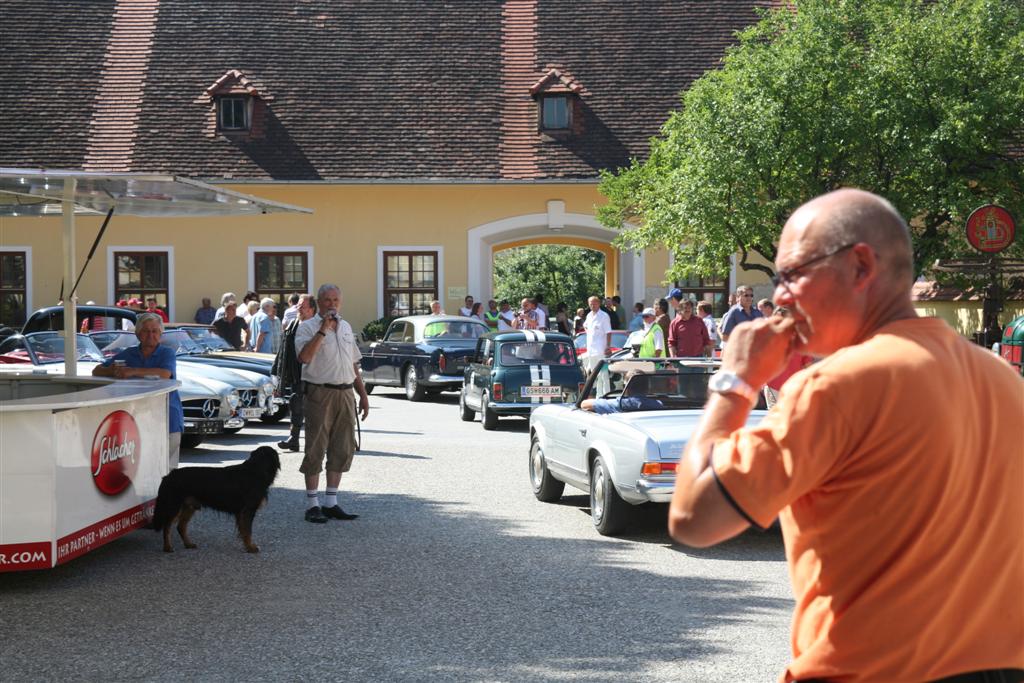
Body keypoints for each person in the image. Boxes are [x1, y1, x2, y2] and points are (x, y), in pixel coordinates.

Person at [667, 189, 1024, 682]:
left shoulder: (836, 384)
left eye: (793, 274)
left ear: (860, 266)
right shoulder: (1002, 379)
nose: (782, 296)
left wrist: (736, 381)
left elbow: (693, 518)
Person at [295, 284, 371, 524]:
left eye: (335, 299)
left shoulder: (346, 326)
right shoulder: (307, 327)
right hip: (320, 393)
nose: (332, 304)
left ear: (341, 301)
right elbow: (304, 358)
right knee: (316, 447)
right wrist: (322, 331)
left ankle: (331, 502)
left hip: (345, 393)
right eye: (327, 300)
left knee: (343, 447)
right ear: (318, 302)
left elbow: (353, 364)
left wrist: (363, 395)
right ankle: (312, 504)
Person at [92, 312, 184, 469]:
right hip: (138, 420)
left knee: (168, 470)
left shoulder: (166, 353)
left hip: (167, 418)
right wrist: (111, 371)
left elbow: (165, 374)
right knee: (144, 468)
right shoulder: (128, 354)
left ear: (161, 334)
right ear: (137, 334)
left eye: (155, 331)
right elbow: (96, 371)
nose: (151, 335)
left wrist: (132, 371)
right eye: (146, 331)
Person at [273, 293, 315, 451]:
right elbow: (284, 349)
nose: (299, 309)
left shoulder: (317, 325)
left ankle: (320, 440)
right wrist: (278, 371)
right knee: (295, 404)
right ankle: (294, 439)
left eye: (302, 306)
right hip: (297, 373)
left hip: (315, 374)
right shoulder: (293, 324)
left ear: (311, 309)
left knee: (316, 409)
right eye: (298, 306)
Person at [762, 306, 814, 409]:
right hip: (772, 387)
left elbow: (807, 366)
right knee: (774, 421)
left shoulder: (801, 340)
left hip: (793, 388)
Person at [581, 373, 663, 413]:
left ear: (626, 388)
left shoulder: (619, 404)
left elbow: (584, 404)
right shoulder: (658, 405)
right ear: (648, 388)